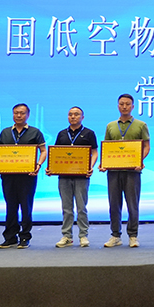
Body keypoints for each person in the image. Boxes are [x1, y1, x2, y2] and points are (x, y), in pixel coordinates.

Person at [0, 103, 47, 249]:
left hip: (27, 176)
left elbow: (43, 151)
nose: (18, 115)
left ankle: (25, 237)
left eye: (22, 113)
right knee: (10, 206)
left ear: (28, 115)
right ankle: (10, 237)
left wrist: (38, 165)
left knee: (26, 207)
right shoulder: (5, 132)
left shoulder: (35, 132)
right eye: (16, 112)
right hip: (8, 176)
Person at [101, 93, 150, 248]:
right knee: (114, 204)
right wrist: (104, 164)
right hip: (114, 172)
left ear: (133, 106)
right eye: (121, 104)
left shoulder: (141, 125)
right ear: (118, 106)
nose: (124, 106)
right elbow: (107, 148)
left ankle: (133, 236)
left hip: (133, 171)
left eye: (127, 104)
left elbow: (146, 146)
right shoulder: (110, 126)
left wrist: (139, 161)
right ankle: (115, 235)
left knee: (132, 204)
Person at [49, 106, 98, 248]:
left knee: (81, 207)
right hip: (64, 176)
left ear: (82, 117)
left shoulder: (89, 133)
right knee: (66, 208)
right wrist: (51, 167)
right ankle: (67, 236)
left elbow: (94, 152)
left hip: (82, 176)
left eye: (76, 114)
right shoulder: (62, 134)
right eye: (70, 114)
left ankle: (83, 235)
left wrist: (90, 167)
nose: (73, 116)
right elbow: (56, 154)